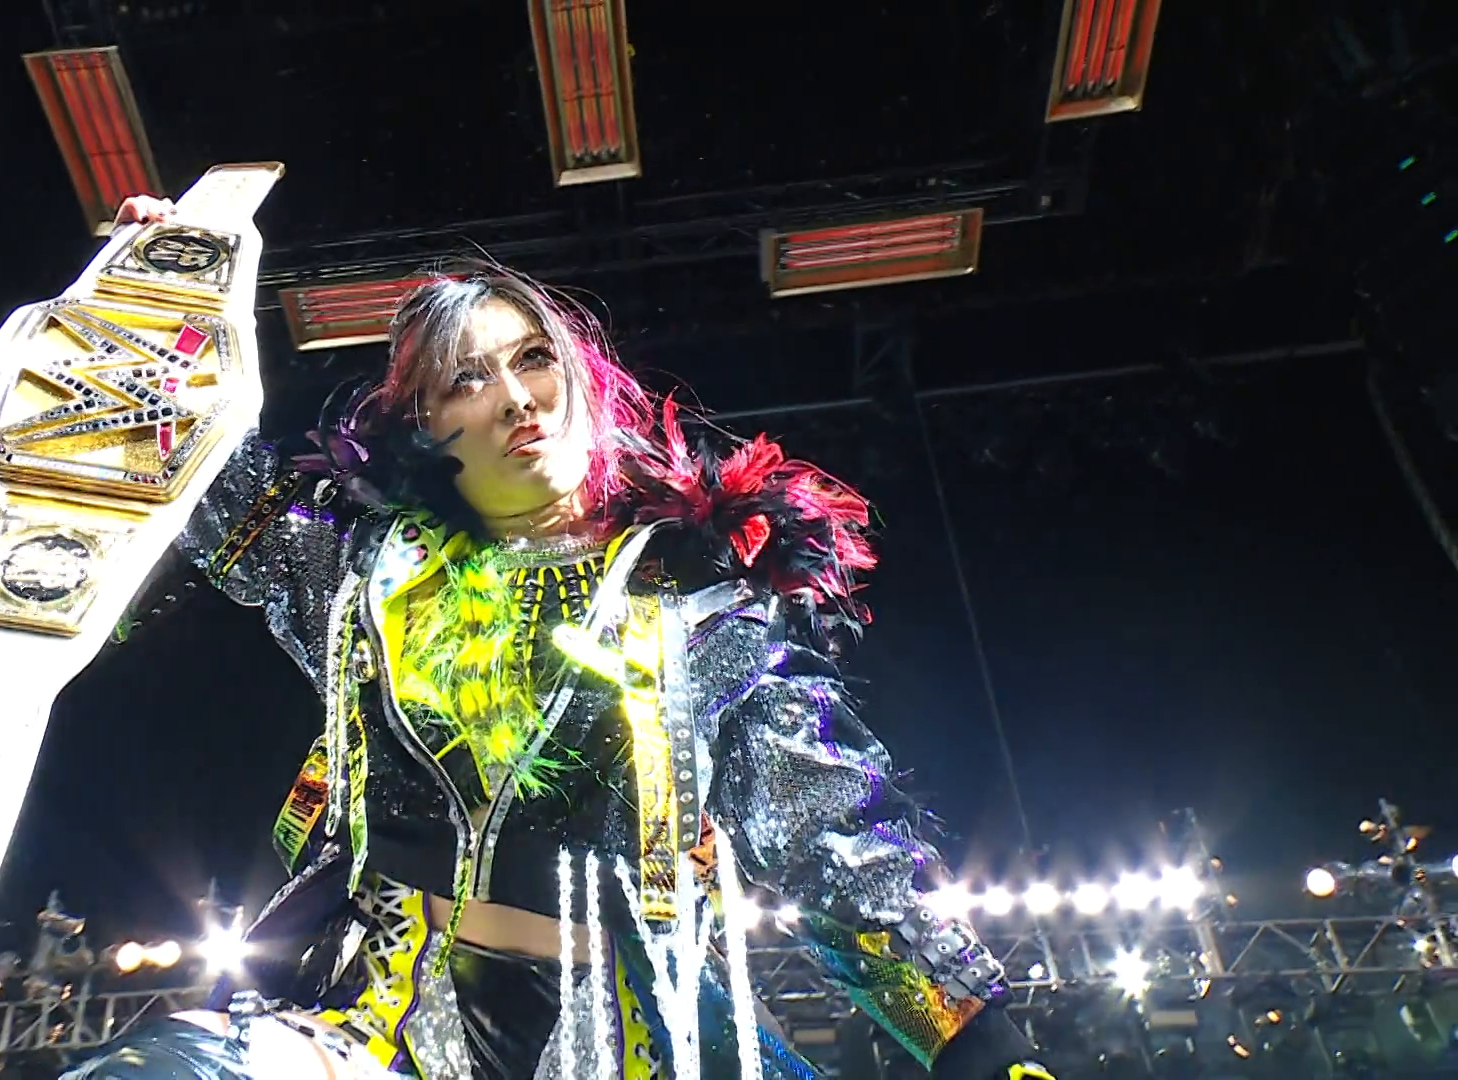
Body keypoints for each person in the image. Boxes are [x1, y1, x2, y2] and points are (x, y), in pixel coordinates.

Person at [62, 196, 1056, 1080]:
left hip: (625, 1038)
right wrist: (154, 309)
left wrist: (980, 1045)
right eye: (468, 378)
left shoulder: (703, 611)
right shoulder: (365, 570)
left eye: (533, 358)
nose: (515, 396)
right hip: (377, 1014)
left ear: (582, 379)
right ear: (426, 425)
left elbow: (833, 843)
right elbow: (196, 464)